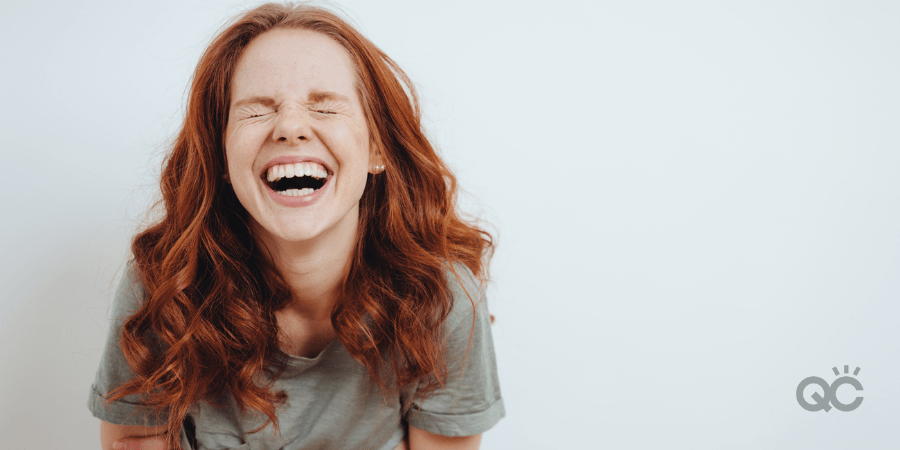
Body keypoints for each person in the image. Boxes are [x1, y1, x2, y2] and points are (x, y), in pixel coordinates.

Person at [87, 3, 503, 449]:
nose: (290, 126)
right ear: (222, 158)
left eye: (324, 108)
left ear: (377, 150)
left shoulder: (444, 297)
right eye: (256, 110)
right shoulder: (165, 285)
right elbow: (133, 441)